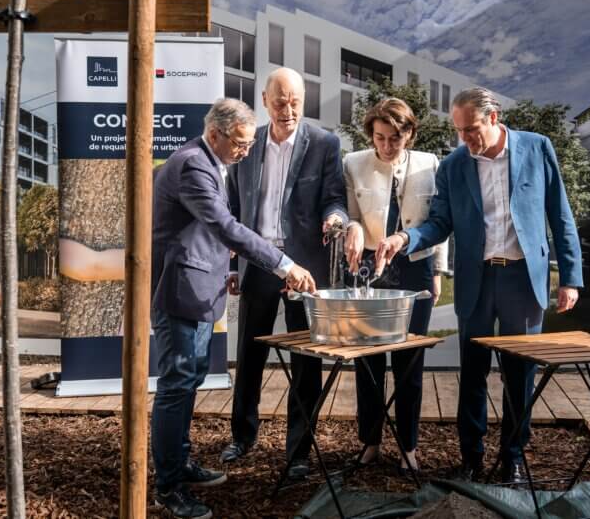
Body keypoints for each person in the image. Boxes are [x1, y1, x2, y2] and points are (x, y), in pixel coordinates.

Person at [376, 87, 582, 482]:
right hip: (477, 279)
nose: (465, 139)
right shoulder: (454, 165)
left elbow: (561, 214)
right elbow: (439, 223)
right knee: (472, 371)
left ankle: (513, 457)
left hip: (522, 278)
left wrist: (570, 277)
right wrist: (405, 239)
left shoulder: (537, 148)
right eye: (459, 131)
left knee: (519, 373)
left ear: (494, 117)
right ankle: (471, 458)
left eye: (471, 129)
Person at [150, 98, 316, 519]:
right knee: (176, 387)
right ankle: (168, 487)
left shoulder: (209, 161)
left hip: (199, 288)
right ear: (215, 134)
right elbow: (225, 227)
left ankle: (180, 463)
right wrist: (283, 263)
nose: (246, 151)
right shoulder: (193, 165)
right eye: (241, 144)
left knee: (186, 383)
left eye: (248, 143)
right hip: (180, 292)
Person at [221, 67, 348, 481]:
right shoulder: (250, 143)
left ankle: (299, 452)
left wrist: (334, 218)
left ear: (304, 99)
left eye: (294, 101)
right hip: (258, 263)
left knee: (305, 362)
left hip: (303, 270)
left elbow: (335, 198)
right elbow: (234, 208)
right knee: (250, 354)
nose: (287, 109)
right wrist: (233, 264)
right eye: (279, 101)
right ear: (264, 101)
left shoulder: (325, 144)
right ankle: (242, 436)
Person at [342, 97, 447, 472]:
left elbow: (439, 223)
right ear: (371, 134)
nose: (387, 146)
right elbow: (351, 216)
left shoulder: (430, 164)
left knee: (409, 362)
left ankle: (409, 447)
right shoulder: (353, 163)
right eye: (380, 138)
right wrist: (351, 229)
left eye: (395, 139)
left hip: (415, 266)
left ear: (410, 135)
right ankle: (370, 442)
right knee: (369, 361)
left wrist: (437, 271)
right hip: (369, 266)